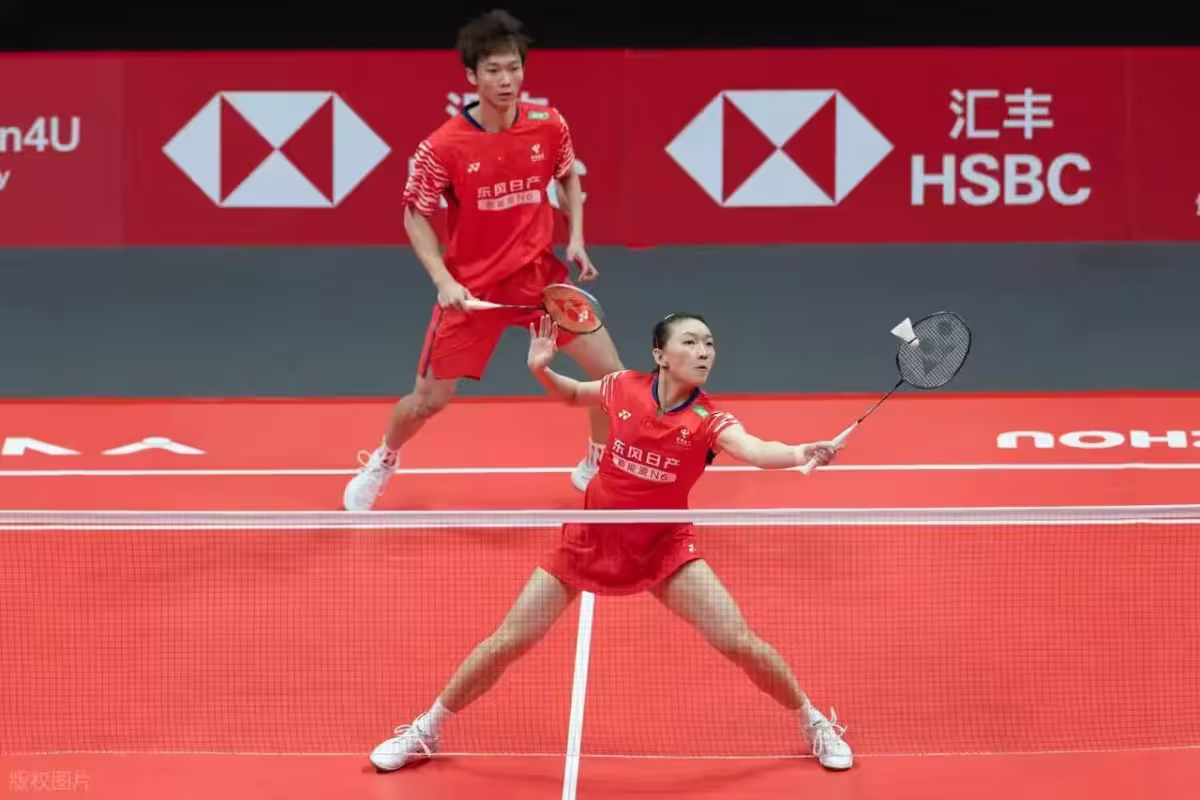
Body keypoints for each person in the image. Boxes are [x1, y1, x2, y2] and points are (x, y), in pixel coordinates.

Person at [369, 312, 854, 772]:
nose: (704, 351)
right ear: (660, 355)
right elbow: (573, 393)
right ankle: (427, 729)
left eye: (709, 343)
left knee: (739, 642)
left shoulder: (710, 419)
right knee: (507, 641)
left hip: (662, 544)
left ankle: (814, 722)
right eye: (690, 342)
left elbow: (756, 450)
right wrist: (542, 370)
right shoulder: (623, 386)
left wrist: (799, 453)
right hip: (591, 537)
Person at [342, 10, 623, 511]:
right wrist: (442, 279)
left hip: (540, 282)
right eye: (493, 70)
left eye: (514, 68)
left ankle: (595, 466)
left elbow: (566, 176)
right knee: (427, 402)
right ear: (472, 76)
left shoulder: (548, 125)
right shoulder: (442, 147)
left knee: (612, 381)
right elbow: (415, 214)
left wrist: (576, 237)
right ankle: (384, 459)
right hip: (473, 293)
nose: (506, 80)